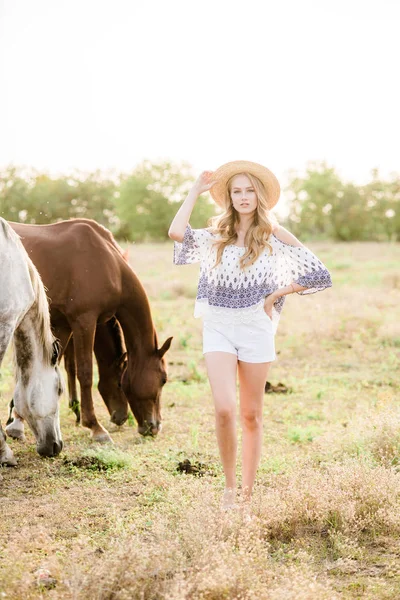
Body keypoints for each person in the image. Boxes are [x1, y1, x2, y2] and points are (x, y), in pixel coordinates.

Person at [168, 160, 332, 513]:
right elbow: (176, 232)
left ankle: (246, 493)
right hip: (218, 326)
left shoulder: (275, 234)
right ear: (228, 197)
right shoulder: (217, 234)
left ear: (260, 195)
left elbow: (319, 274)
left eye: (249, 190)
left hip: (256, 329)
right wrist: (194, 191)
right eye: (236, 191)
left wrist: (277, 295)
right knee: (225, 409)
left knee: (251, 415)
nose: (243, 197)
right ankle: (228, 489)